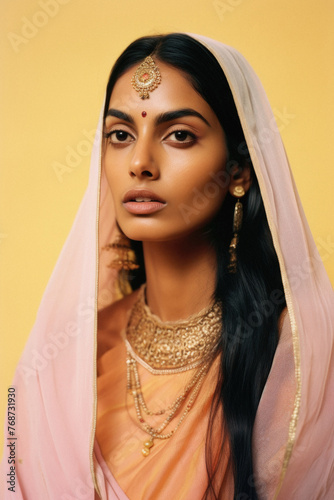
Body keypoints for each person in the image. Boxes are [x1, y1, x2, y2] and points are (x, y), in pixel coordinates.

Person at [1, 33, 333, 500]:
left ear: (239, 170)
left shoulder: (301, 356)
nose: (140, 162)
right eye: (120, 135)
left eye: (179, 135)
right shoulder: (61, 358)